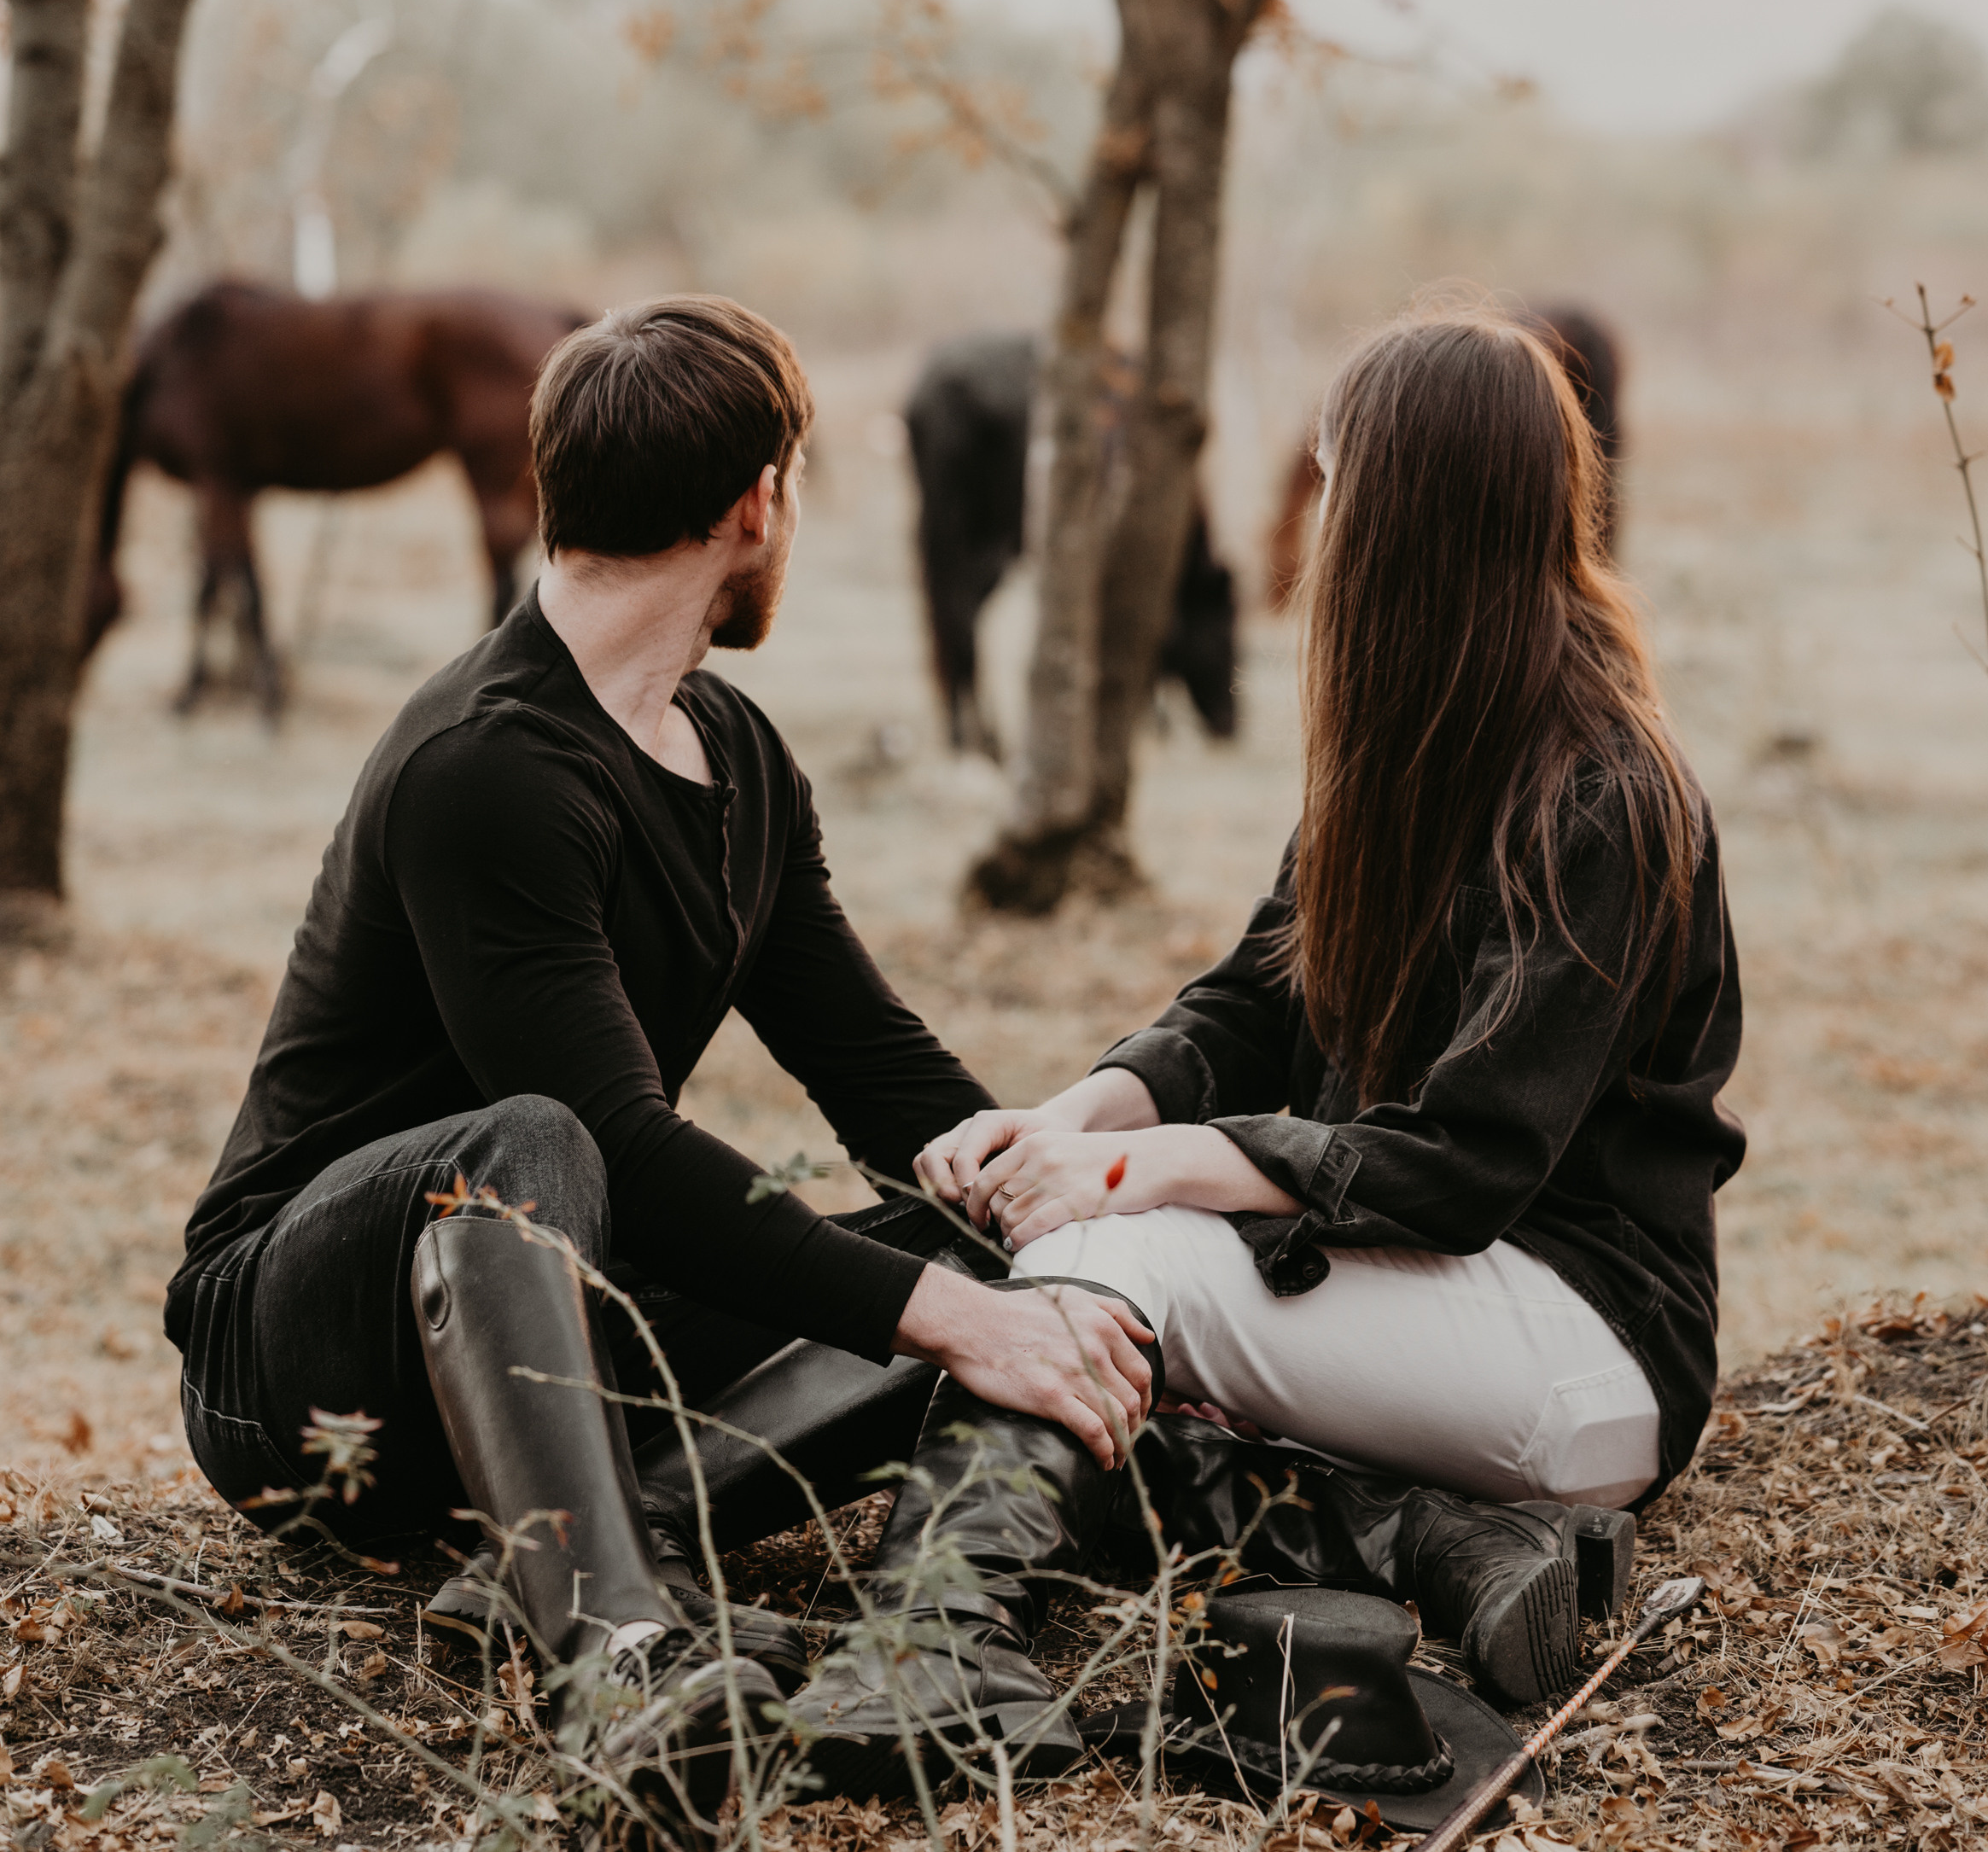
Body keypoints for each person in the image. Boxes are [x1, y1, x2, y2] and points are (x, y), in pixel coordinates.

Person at [164, 297, 1153, 1838]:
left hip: (560, 1319)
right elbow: (613, 1143)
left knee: (996, 1250)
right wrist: (952, 1319)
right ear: (757, 503)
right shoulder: (485, 766)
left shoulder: (738, 761)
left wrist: (1067, 1205)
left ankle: (580, 1568)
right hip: (303, 1353)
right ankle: (620, 1653)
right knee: (539, 1139)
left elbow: (877, 1068)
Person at [795, 307, 1742, 1780]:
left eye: (1334, 469)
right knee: (1048, 1284)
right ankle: (1446, 1542)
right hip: (1423, 1303)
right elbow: (1256, 997)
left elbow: (1470, 1164)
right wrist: (1074, 1118)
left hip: (1581, 1339)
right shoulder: (1418, 731)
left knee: (1111, 1272)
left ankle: (922, 1653)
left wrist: (1150, 1180)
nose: (1315, 504)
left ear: (1403, 512)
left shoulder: (1600, 793)